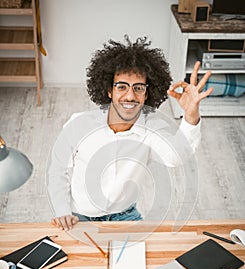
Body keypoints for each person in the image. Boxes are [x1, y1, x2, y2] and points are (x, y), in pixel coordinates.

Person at [47, 35, 213, 231]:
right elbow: (58, 170)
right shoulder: (79, 124)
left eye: (138, 88)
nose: (130, 96)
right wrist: (62, 209)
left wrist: (190, 114)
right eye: (122, 87)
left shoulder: (150, 129)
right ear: (109, 90)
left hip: (125, 215)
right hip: (80, 215)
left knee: (139, 258)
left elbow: (176, 156)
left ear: (146, 94)